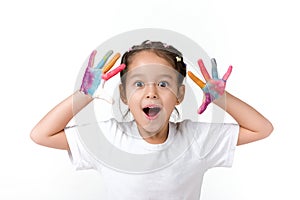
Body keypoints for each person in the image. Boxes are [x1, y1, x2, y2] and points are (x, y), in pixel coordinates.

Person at [30, 40, 273, 199]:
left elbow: (261, 129)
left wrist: (222, 99)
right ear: (124, 95)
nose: (151, 92)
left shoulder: (195, 139)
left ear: (179, 95)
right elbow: (41, 135)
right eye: (138, 83)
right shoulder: (109, 138)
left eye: (164, 83)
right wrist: (84, 95)